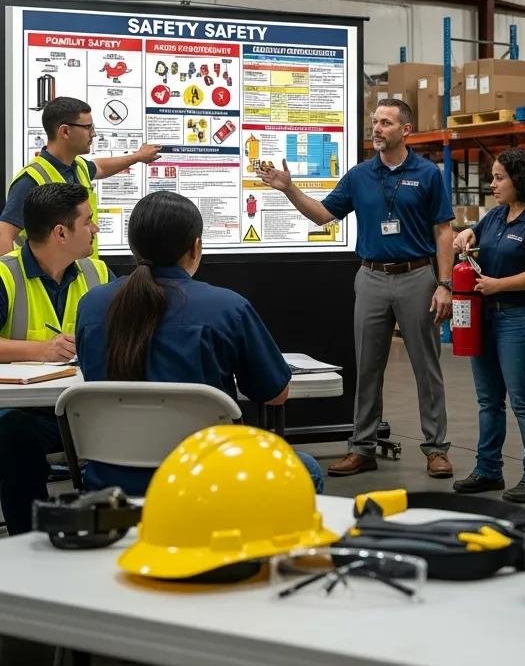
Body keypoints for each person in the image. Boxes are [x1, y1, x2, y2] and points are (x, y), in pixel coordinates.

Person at [75, 191, 324, 495]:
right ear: (195, 247)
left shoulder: (91, 306)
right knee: (307, 469)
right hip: (210, 480)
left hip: (111, 483)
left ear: (133, 247)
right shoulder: (227, 308)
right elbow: (276, 394)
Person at [260, 98, 455, 479]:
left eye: (385, 122)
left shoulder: (428, 174)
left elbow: (444, 230)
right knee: (367, 367)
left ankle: (436, 449)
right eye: (375, 123)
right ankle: (362, 447)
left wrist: (444, 284)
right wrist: (289, 189)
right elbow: (323, 214)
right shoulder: (359, 175)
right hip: (371, 277)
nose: (377, 129)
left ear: (405, 130)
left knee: (426, 367)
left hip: (417, 276)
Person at [0, 183, 110, 534]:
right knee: (13, 432)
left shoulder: (98, 273)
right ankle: (27, 539)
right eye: (88, 221)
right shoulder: (6, 275)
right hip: (30, 411)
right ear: (61, 233)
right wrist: (40, 349)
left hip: (86, 408)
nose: (95, 229)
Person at [451, 148, 525, 503]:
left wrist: (499, 285)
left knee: (524, 400)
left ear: (520, 180)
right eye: (493, 177)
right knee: (488, 400)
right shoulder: (496, 217)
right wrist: (467, 234)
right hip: (486, 317)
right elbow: (476, 235)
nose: (492, 184)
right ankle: (488, 470)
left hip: (519, 318)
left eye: (499, 178)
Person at [0, 96, 161, 257]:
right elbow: (4, 236)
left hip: (81, 276)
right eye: (88, 127)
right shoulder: (31, 180)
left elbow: (101, 167)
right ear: (65, 131)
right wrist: (16, 280)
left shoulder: (78, 166)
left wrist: (137, 157)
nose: (94, 134)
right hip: (49, 280)